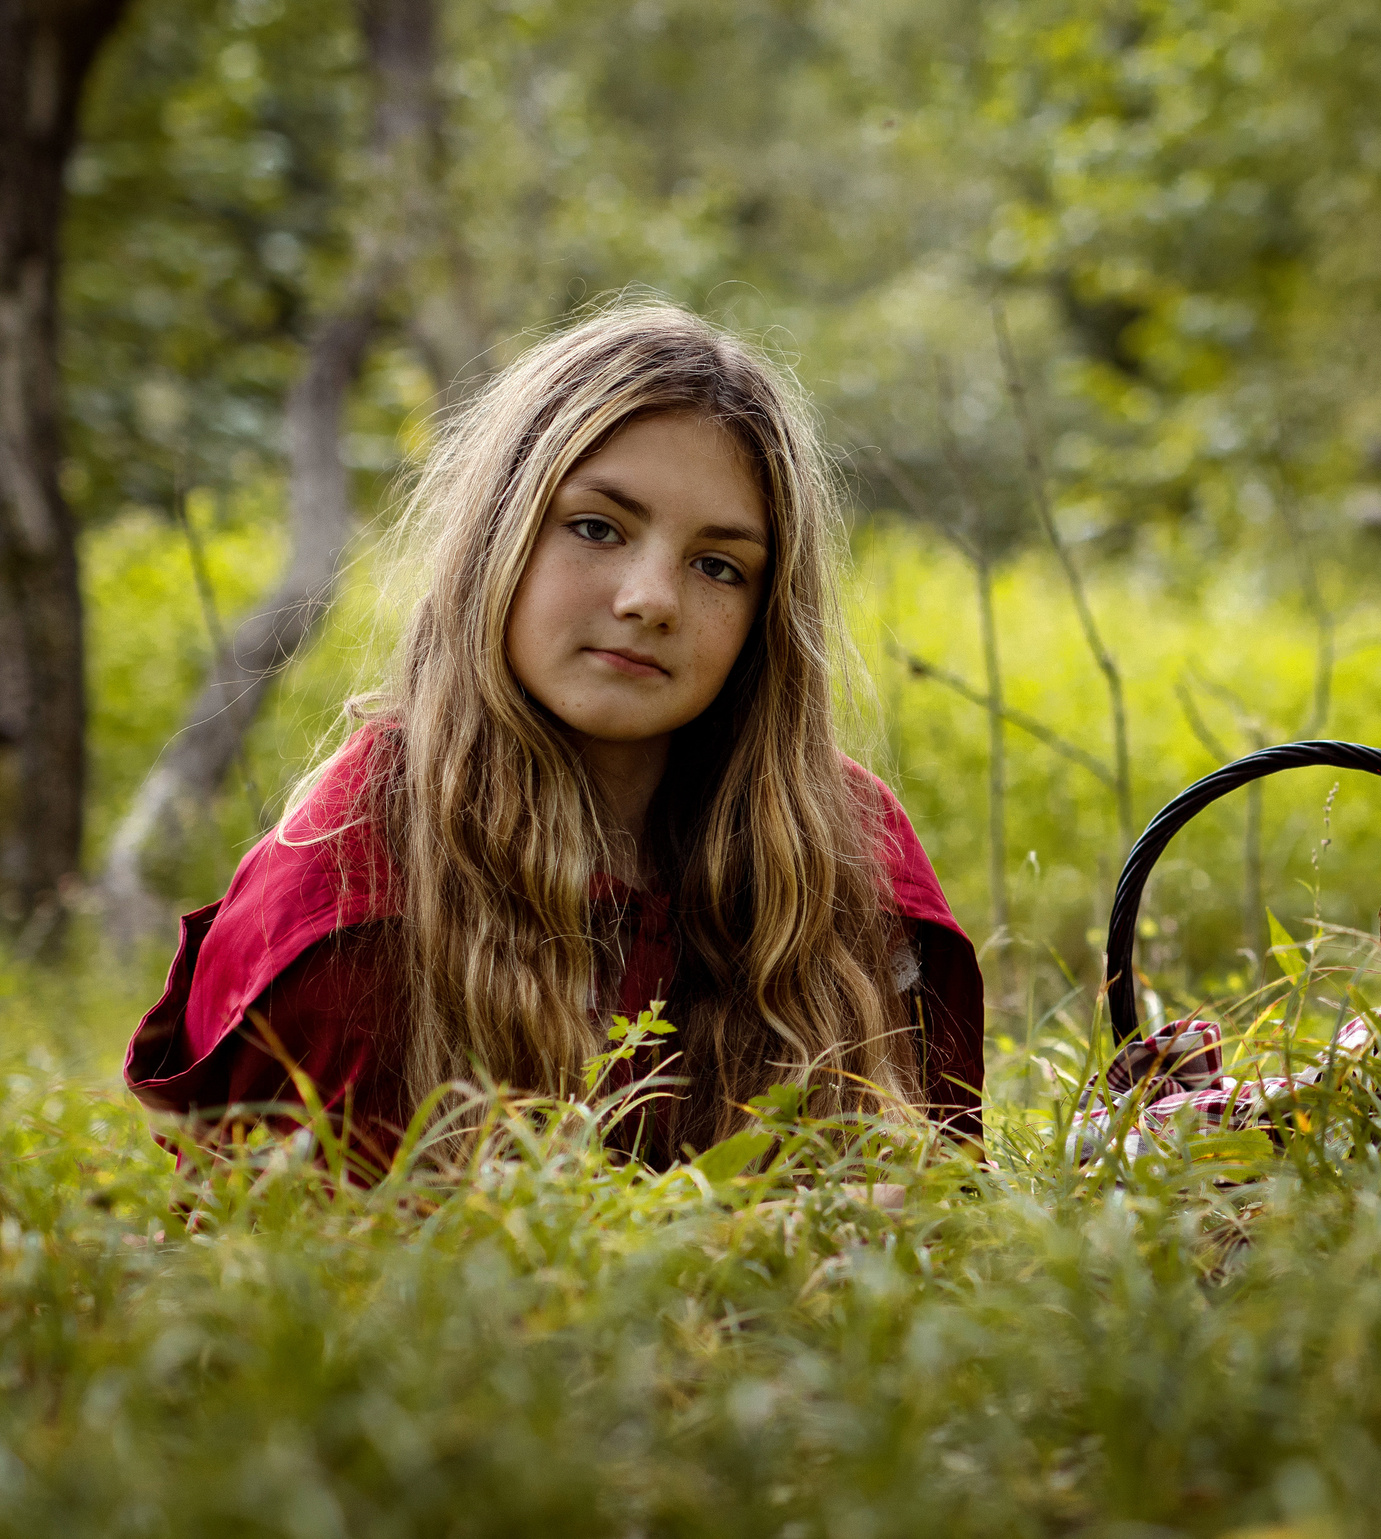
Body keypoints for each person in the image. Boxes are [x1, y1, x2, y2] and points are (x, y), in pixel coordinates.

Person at [124, 302, 981, 1172]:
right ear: (501, 531)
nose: (652, 599)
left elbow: (938, 1205)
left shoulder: (845, 856)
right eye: (597, 527)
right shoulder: (347, 888)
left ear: (765, 614)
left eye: (718, 565)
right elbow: (296, 1248)